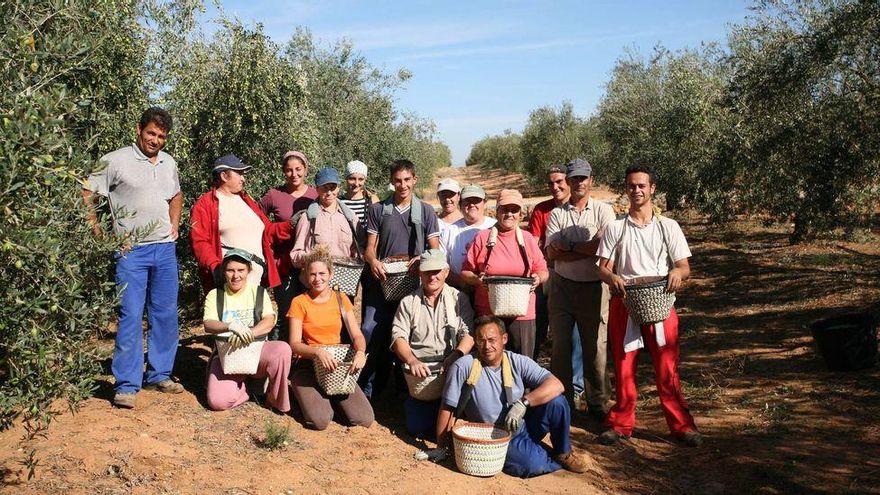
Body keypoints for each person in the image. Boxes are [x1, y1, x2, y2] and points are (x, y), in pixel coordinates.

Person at [83, 107, 183, 409]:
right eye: (151, 133)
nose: (155, 140)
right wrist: (97, 230)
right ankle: (127, 384)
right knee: (130, 315)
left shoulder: (168, 162)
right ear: (139, 130)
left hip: (164, 249)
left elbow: (175, 195)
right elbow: (88, 192)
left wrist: (174, 224)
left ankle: (159, 374)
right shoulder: (115, 160)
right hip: (131, 251)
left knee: (165, 315)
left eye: (161, 136)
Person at [596, 164, 701, 447]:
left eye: (642, 185)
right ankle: (620, 424)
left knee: (667, 366)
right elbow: (602, 268)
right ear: (626, 190)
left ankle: (681, 425)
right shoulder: (616, 227)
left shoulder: (668, 227)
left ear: (652, 189)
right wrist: (612, 277)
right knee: (623, 365)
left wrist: (677, 275)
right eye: (631, 186)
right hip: (625, 302)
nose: (637, 190)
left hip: (660, 303)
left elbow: (684, 267)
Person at [430, 316, 591, 477]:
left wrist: (523, 403)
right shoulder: (464, 366)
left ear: (504, 338)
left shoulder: (517, 361)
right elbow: (447, 407)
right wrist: (441, 447)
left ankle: (563, 452)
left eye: (492, 340)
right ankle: (543, 455)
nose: (487, 346)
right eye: (481, 340)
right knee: (530, 465)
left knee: (557, 402)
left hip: (523, 424)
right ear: (475, 342)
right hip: (496, 436)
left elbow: (557, 385)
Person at [360, 159, 441, 398]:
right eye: (397, 180)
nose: (402, 185)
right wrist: (374, 261)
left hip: (412, 284)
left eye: (407, 180)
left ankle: (403, 391)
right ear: (391, 182)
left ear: (414, 180)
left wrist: (422, 258)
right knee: (371, 330)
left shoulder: (425, 211)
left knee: (408, 335)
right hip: (382, 280)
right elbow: (370, 248)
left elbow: (435, 250)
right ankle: (368, 390)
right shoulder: (378, 210)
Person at [545, 159, 616, 419]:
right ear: (569, 181)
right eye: (574, 178)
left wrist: (569, 247)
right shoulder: (557, 214)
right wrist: (586, 248)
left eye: (583, 178)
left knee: (595, 346)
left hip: (595, 286)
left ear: (590, 180)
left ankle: (598, 403)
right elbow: (553, 253)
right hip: (562, 287)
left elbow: (605, 249)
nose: (579, 183)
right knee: (561, 346)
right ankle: (563, 402)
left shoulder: (604, 211)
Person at [390, 249, 475, 439]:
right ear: (420, 273)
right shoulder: (408, 302)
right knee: (418, 428)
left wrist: (456, 355)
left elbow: (469, 335)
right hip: (421, 377)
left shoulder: (459, 299)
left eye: (437, 271)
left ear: (446, 272)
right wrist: (412, 360)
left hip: (451, 371)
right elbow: (398, 338)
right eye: (427, 271)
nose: (432, 276)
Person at [287, 245, 374, 430]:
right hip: (309, 364)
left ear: (330, 273)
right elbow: (294, 344)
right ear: (306, 275)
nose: (317, 279)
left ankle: (331, 400)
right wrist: (317, 352)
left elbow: (357, 335)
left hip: (337, 367)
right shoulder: (299, 302)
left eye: (322, 273)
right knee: (320, 421)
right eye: (312, 274)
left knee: (364, 419)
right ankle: (304, 393)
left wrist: (360, 352)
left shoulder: (341, 299)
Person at [460, 189, 548, 359]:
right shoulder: (482, 238)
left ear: (521, 214)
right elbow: (465, 271)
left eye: (514, 210)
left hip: (522, 314)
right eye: (504, 209)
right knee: (488, 361)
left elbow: (543, 270)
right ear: (497, 211)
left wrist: (538, 278)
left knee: (522, 363)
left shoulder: (527, 239)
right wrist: (478, 280)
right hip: (488, 312)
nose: (509, 214)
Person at [202, 249, 291, 413]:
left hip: (256, 352)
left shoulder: (258, 292)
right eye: (230, 270)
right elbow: (209, 323)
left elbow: (269, 320)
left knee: (282, 349)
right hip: (228, 357)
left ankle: (276, 399)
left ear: (248, 270)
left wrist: (250, 333)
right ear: (224, 272)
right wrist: (230, 326)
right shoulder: (215, 295)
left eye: (240, 270)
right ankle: (247, 390)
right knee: (217, 402)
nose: (235, 276)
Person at [190, 154, 292, 293]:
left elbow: (268, 231)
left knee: (260, 315)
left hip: (256, 281)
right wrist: (216, 268)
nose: (243, 178)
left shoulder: (246, 201)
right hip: (230, 283)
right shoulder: (205, 204)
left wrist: (291, 225)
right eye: (239, 173)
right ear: (224, 176)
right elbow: (200, 241)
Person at [259, 151, 319, 340]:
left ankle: (304, 362)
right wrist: (277, 231)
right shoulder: (274, 195)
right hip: (283, 265)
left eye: (298, 169)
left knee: (310, 314)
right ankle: (279, 361)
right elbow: (257, 220)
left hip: (310, 265)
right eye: (289, 170)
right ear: (283, 172)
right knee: (286, 315)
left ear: (305, 169)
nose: (294, 174)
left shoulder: (315, 195)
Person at [289, 167, 362, 273]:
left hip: (346, 279)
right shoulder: (308, 218)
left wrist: (357, 256)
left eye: (332, 187)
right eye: (325, 188)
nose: (329, 192)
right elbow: (295, 255)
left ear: (338, 188)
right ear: (317, 189)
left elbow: (361, 248)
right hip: (317, 281)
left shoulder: (350, 217)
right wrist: (311, 257)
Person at [439, 184, 496, 291]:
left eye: (476, 200)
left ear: (484, 203)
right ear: (460, 204)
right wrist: (461, 283)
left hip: (491, 290)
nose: (472, 204)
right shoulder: (448, 231)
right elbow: (441, 265)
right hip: (457, 291)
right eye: (467, 201)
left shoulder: (495, 227)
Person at [339, 160, 380, 229]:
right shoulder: (338, 201)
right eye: (352, 179)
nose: (356, 183)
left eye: (360, 179)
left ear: (365, 180)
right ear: (346, 178)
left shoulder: (370, 201)